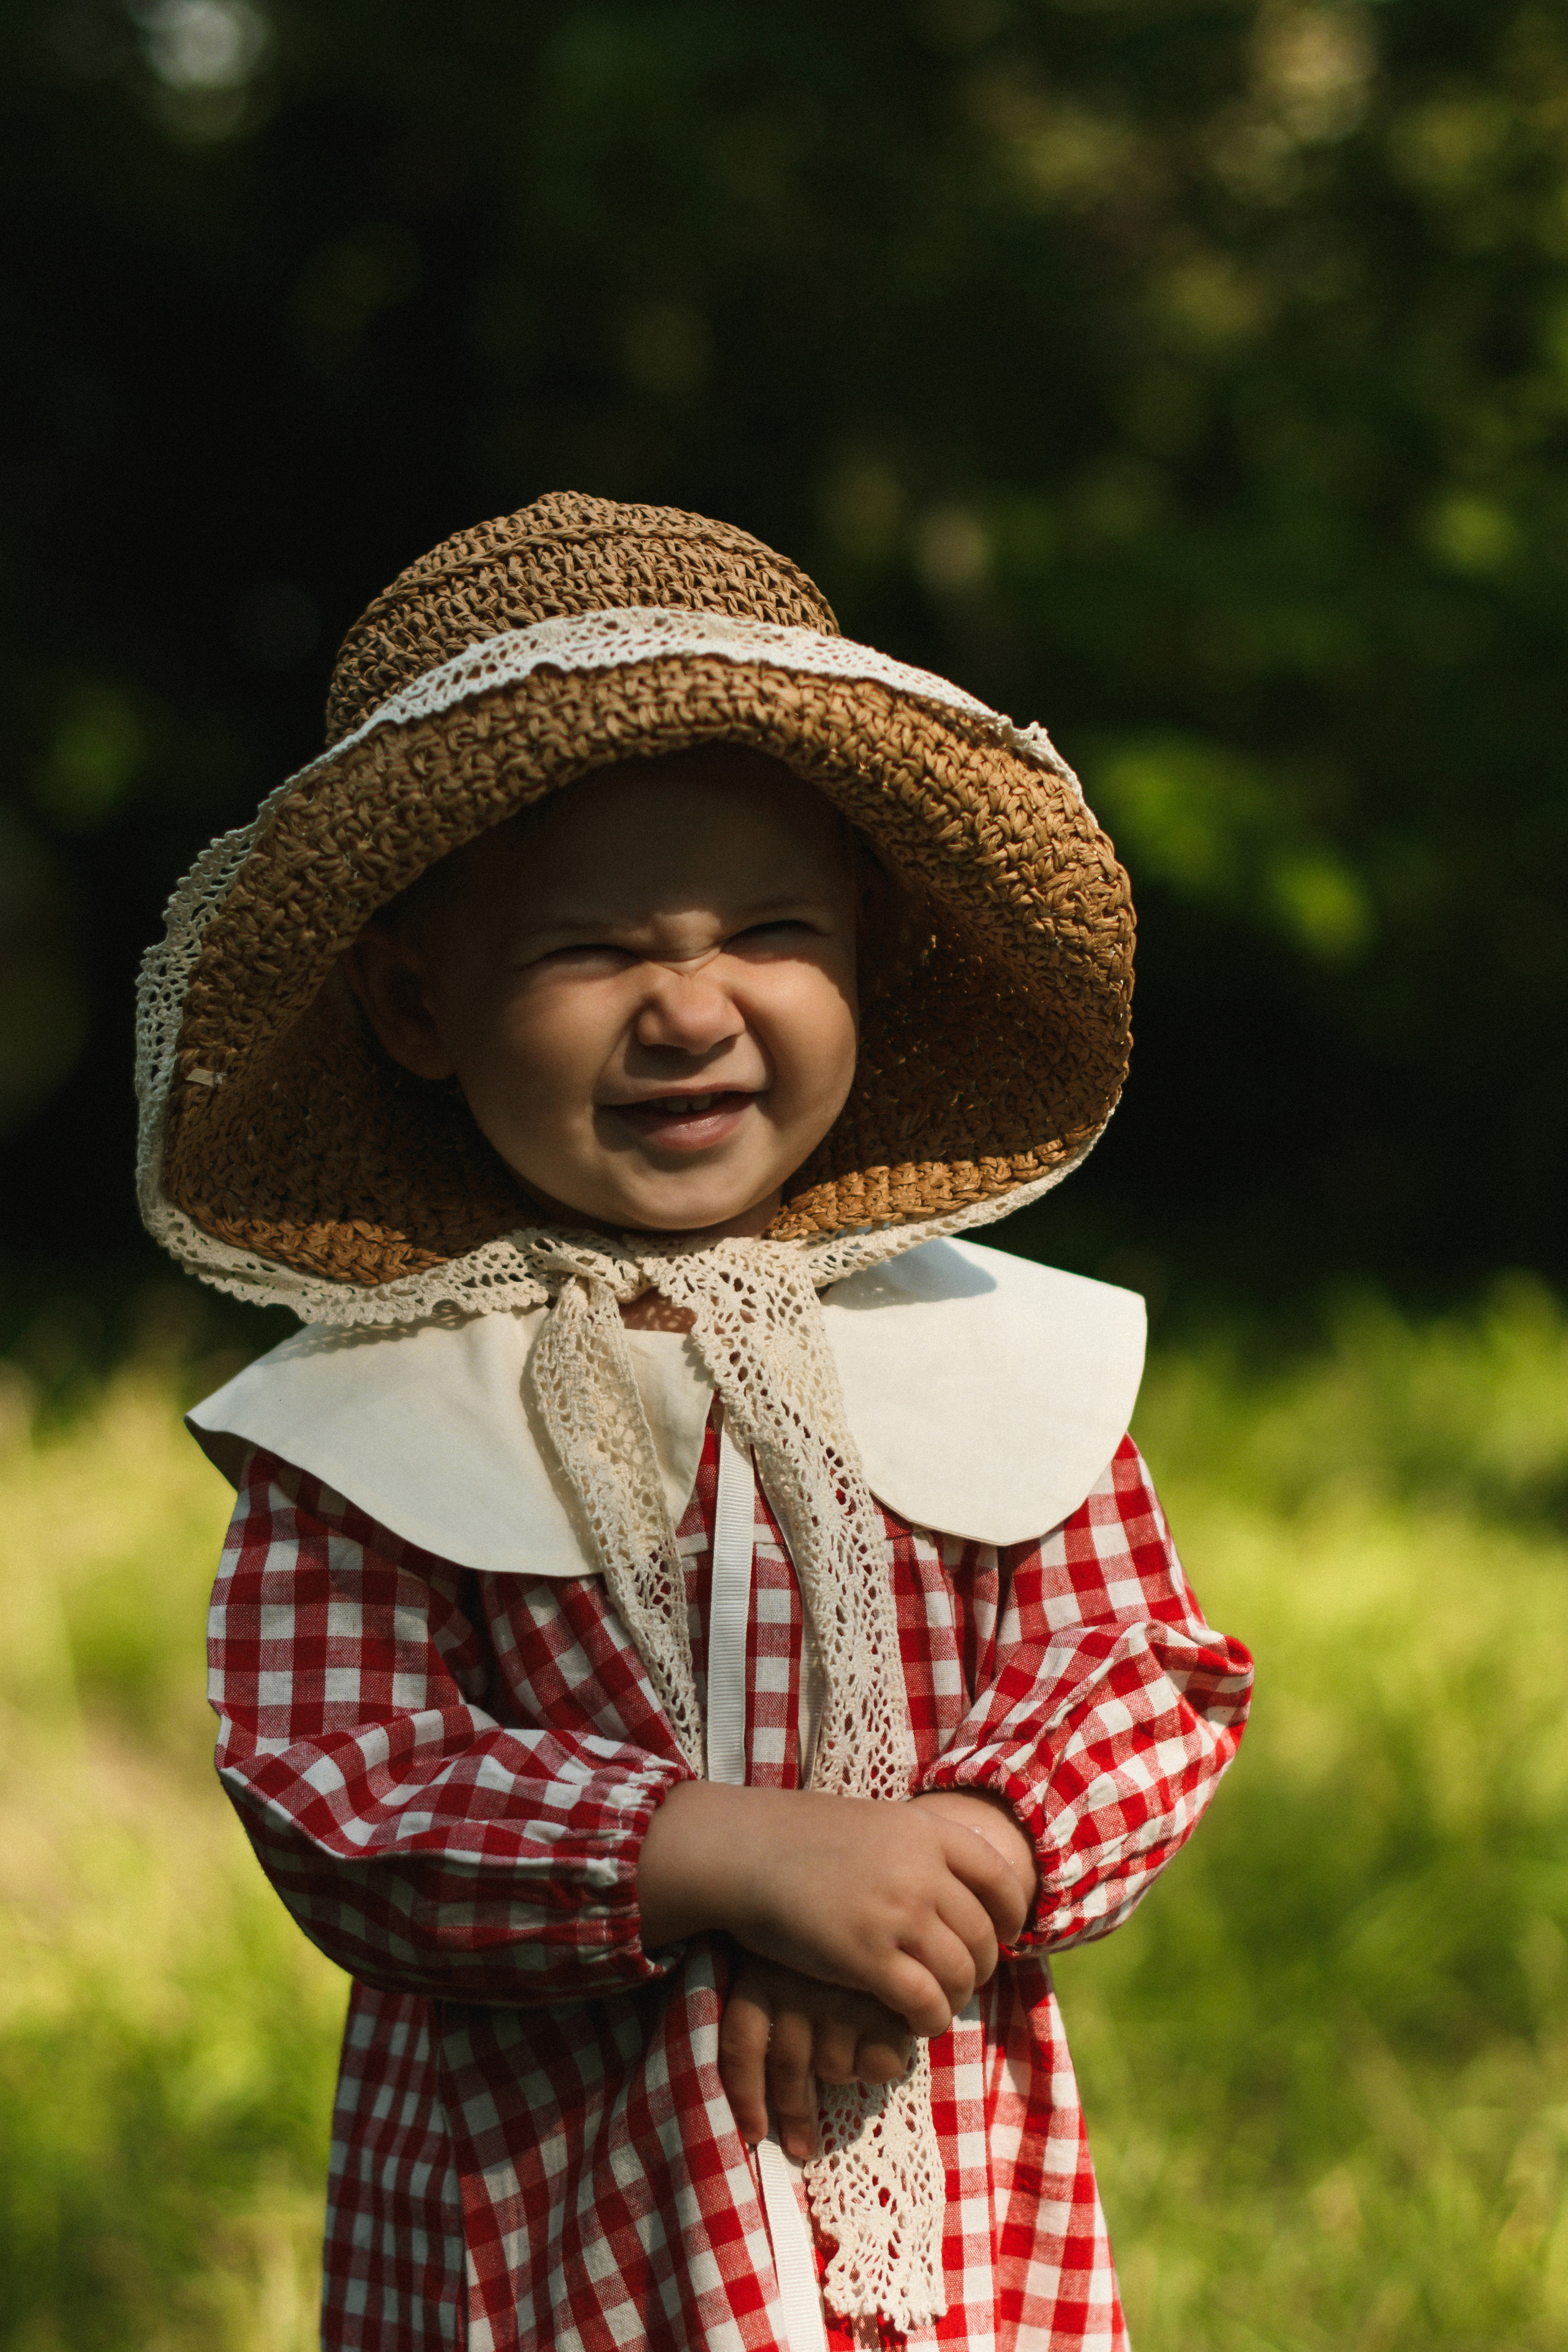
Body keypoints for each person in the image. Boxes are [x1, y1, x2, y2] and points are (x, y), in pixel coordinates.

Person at [136, 492, 1253, 2352]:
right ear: (419, 1003)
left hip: (930, 2160)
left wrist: (943, 1867)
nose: (688, 1009)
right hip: (558, 2209)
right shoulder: (385, 1411)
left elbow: (1142, 1675)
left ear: (866, 954)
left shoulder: (986, 1347)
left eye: (771, 927)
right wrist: (732, 1858)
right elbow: (338, 1780)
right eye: (590, 951)